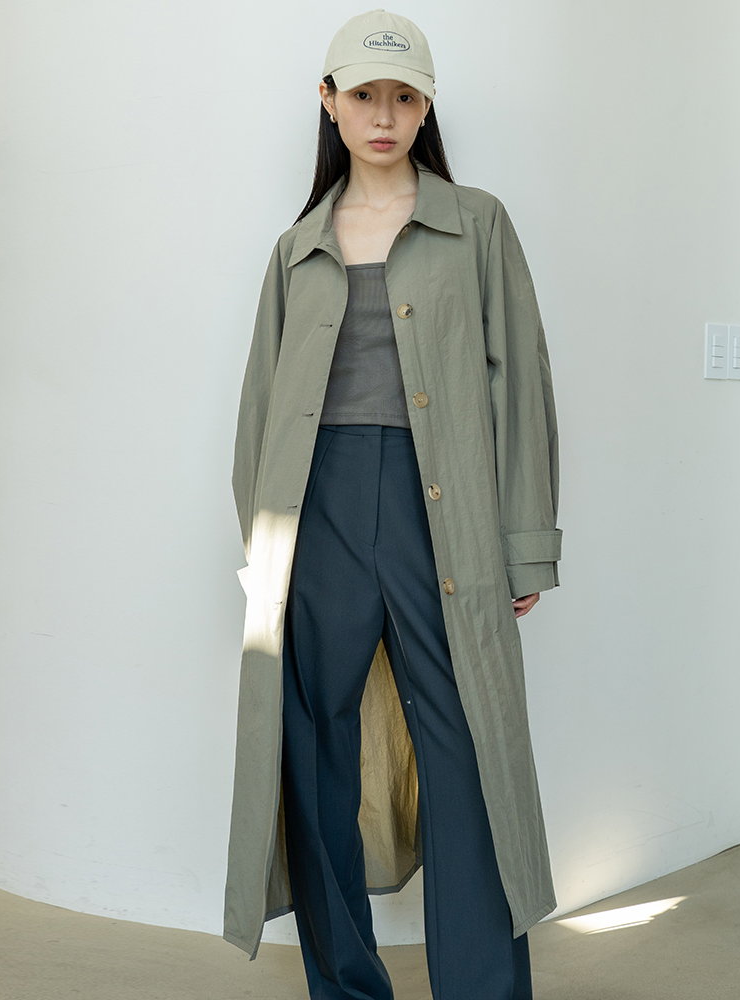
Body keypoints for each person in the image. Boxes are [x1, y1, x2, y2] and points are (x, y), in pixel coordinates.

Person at [223, 10, 563, 1000]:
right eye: (364, 95)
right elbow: (260, 411)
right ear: (328, 103)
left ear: (425, 109)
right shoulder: (297, 248)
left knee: (466, 746)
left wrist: (525, 546)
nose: (383, 116)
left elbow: (521, 388)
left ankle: (483, 986)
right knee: (314, 742)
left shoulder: (476, 225)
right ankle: (345, 983)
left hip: (439, 510)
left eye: (403, 97)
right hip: (316, 513)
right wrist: (262, 553)